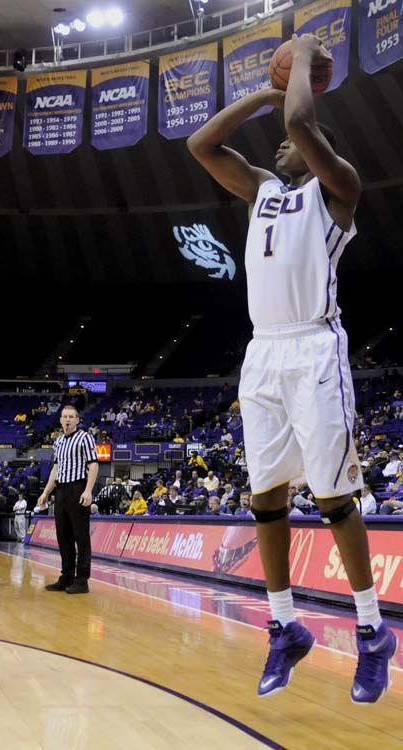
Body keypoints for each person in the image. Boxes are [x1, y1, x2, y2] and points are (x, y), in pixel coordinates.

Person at [188, 33, 396, 703]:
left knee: (334, 498)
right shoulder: (262, 192)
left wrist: (303, 59)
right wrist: (268, 90)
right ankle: (285, 627)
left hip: (313, 346)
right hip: (263, 351)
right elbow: (202, 145)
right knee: (265, 499)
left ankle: (371, 632)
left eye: (287, 143)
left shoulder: (338, 190)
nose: (277, 146)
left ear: (314, 154)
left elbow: (302, 124)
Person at [37, 404, 99, 595]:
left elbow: (94, 465)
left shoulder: (85, 438)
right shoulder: (58, 442)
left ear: (78, 420)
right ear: (60, 420)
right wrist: (46, 492)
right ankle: (66, 576)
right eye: (65, 416)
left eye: (72, 416)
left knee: (81, 537)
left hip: (78, 487)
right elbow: (56, 469)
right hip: (61, 491)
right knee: (63, 536)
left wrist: (88, 491)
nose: (68, 419)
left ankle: (82, 580)